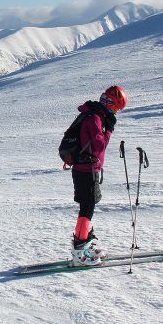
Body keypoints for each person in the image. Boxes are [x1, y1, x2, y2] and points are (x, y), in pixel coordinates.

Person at [67, 85, 128, 266]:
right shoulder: (95, 118)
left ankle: (83, 245)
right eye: (117, 109)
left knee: (87, 207)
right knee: (87, 208)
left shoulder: (95, 115)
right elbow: (99, 146)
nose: (116, 113)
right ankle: (81, 252)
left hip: (86, 168)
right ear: (112, 105)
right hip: (86, 170)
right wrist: (108, 129)